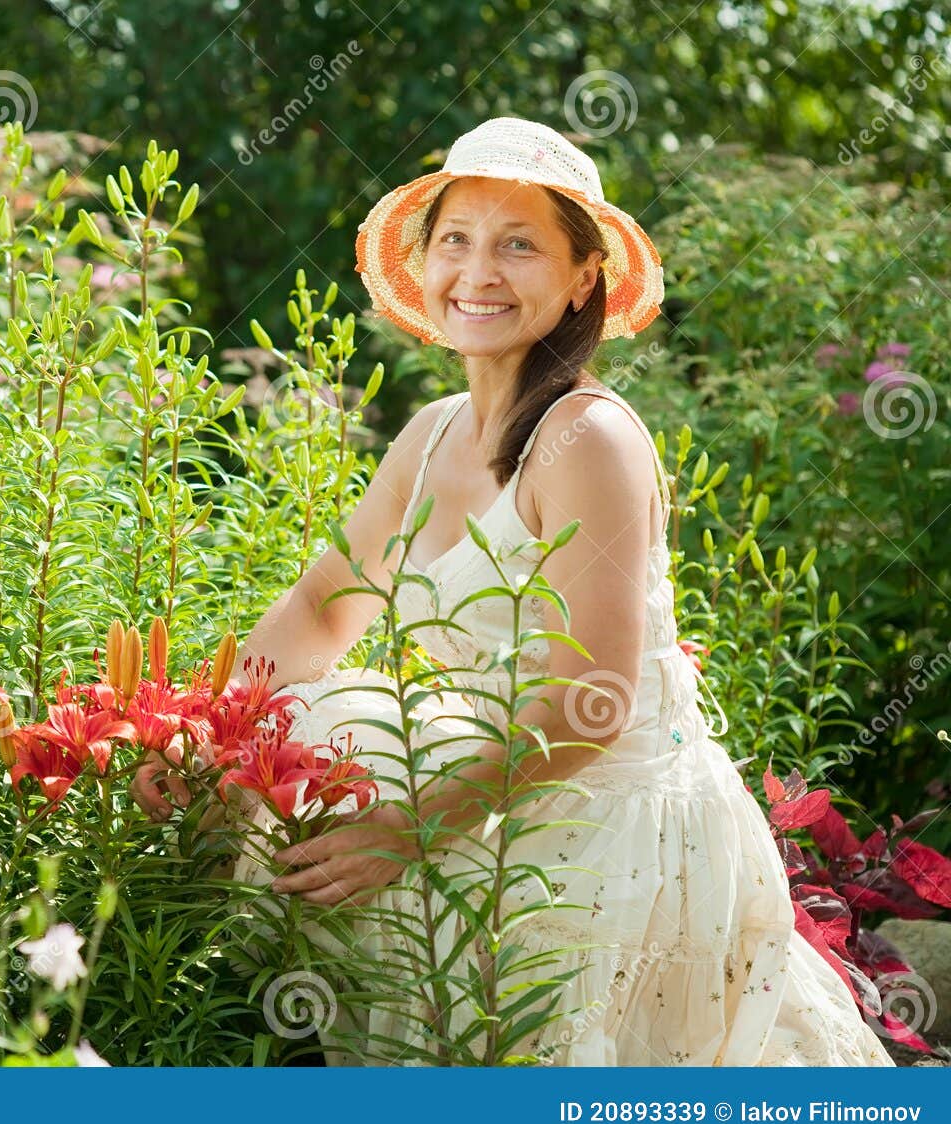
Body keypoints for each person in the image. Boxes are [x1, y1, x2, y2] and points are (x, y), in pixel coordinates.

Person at [129, 116, 895, 1067]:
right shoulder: (433, 433)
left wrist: (404, 831)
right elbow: (326, 606)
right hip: (490, 774)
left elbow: (590, 702)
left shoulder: (589, 440)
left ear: (582, 279)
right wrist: (206, 733)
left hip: (603, 813)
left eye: (518, 245)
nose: (477, 272)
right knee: (284, 742)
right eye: (456, 240)